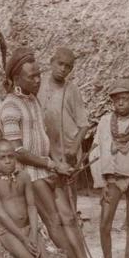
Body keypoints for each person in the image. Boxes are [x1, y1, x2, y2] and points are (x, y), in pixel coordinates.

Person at [0, 47, 112, 258]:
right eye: (32, 76)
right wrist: (52, 164)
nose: (38, 79)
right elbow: (17, 151)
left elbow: (43, 139)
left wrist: (58, 164)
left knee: (70, 218)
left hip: (49, 169)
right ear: (17, 78)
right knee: (55, 221)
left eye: (39, 74)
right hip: (31, 174)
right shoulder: (10, 106)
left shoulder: (32, 101)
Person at [91, 79, 129, 258]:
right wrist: (102, 182)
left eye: (126, 98)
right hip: (111, 179)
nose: (121, 102)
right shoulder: (105, 122)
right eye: (117, 99)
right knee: (105, 223)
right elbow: (95, 151)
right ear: (112, 102)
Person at [38, 47, 90, 207]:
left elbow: (84, 125)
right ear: (51, 62)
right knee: (47, 194)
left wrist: (74, 149)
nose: (63, 69)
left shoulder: (72, 90)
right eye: (60, 63)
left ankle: (73, 225)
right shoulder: (39, 84)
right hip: (46, 149)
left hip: (67, 151)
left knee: (68, 194)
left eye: (68, 66)